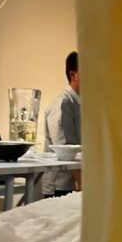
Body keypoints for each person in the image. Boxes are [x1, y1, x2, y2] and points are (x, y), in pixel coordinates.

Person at [42, 51, 81, 197]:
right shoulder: (63, 104)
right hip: (60, 184)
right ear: (73, 75)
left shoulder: (78, 103)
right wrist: (82, 183)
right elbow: (65, 149)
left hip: (72, 182)